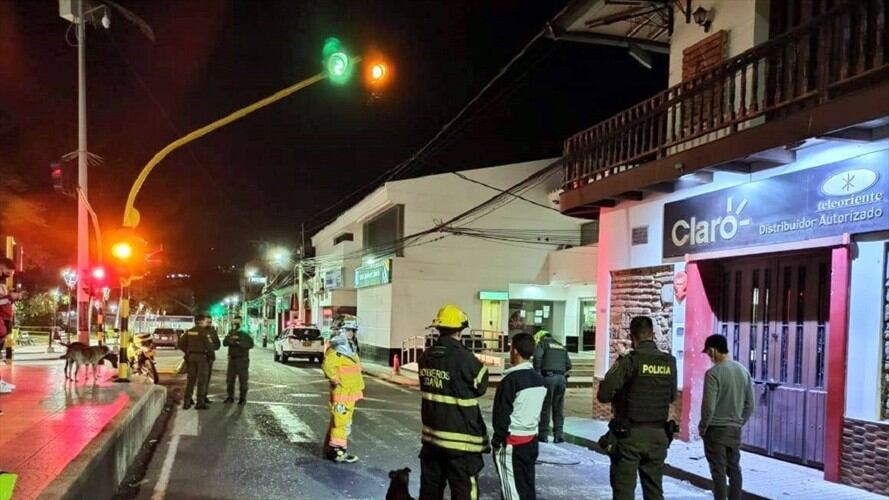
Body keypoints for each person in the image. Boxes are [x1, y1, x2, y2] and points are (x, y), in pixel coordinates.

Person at [597, 316, 677, 500]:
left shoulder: (630, 360)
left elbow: (604, 394)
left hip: (630, 437)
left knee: (623, 492)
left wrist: (620, 358)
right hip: (658, 435)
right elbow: (672, 396)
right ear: (653, 334)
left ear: (632, 336)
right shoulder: (669, 361)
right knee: (654, 491)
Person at [418, 304, 489, 500]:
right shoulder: (465, 358)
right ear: (460, 329)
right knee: (463, 490)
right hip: (460, 441)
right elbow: (481, 386)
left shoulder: (425, 357)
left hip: (432, 439)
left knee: (430, 490)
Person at [699, 334, 755, 500]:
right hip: (734, 430)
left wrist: (703, 427)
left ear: (713, 350)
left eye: (709, 353)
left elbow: (708, 406)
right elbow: (750, 405)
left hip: (715, 430)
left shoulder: (713, 373)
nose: (709, 357)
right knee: (735, 469)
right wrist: (738, 422)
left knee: (719, 472)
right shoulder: (743, 371)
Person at [492, 332, 546, 500]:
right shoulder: (539, 380)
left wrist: (498, 440)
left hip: (511, 442)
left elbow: (501, 415)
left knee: (512, 492)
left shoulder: (510, 380)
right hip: (531, 440)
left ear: (514, 350)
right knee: (526, 487)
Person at [321, 314, 364, 463]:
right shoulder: (336, 350)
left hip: (349, 390)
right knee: (341, 423)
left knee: (341, 422)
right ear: (341, 331)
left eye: (353, 330)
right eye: (349, 330)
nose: (351, 333)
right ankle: (337, 452)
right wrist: (336, 380)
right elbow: (327, 367)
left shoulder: (348, 349)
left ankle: (331, 449)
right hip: (343, 391)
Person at [532, 329, 572, 443]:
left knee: (546, 406)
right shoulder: (560, 346)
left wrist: (538, 374)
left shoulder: (543, 344)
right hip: (561, 379)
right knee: (558, 408)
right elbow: (568, 365)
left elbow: (537, 357)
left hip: (548, 378)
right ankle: (558, 435)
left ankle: (543, 434)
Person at [178, 314, 214, 410]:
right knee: (202, 380)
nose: (207, 323)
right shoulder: (203, 332)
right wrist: (211, 356)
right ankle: (200, 403)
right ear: (202, 322)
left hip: (191, 357)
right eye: (205, 321)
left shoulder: (189, 332)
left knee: (191, 380)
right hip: (202, 358)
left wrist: (187, 351)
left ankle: (187, 402)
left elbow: (180, 343)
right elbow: (210, 346)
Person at [223, 315, 254, 405]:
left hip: (242, 359)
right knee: (230, 380)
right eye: (234, 321)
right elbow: (224, 343)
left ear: (241, 322)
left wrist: (238, 343)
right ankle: (230, 397)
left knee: (243, 380)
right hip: (232, 359)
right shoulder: (231, 332)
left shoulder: (245, 333)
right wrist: (230, 340)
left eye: (237, 322)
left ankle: (242, 398)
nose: (235, 323)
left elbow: (250, 345)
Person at [0, 258, 20, 394]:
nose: (10, 274)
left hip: (4, 320)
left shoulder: (2, 283)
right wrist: (10, 297)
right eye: (8, 271)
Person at [202, 318, 221, 405]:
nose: (208, 324)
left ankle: (204, 396)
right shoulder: (198, 330)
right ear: (203, 322)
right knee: (196, 379)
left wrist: (211, 347)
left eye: (210, 322)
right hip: (199, 357)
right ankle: (194, 398)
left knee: (207, 378)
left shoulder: (213, 332)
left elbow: (217, 344)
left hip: (209, 357)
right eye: (207, 322)